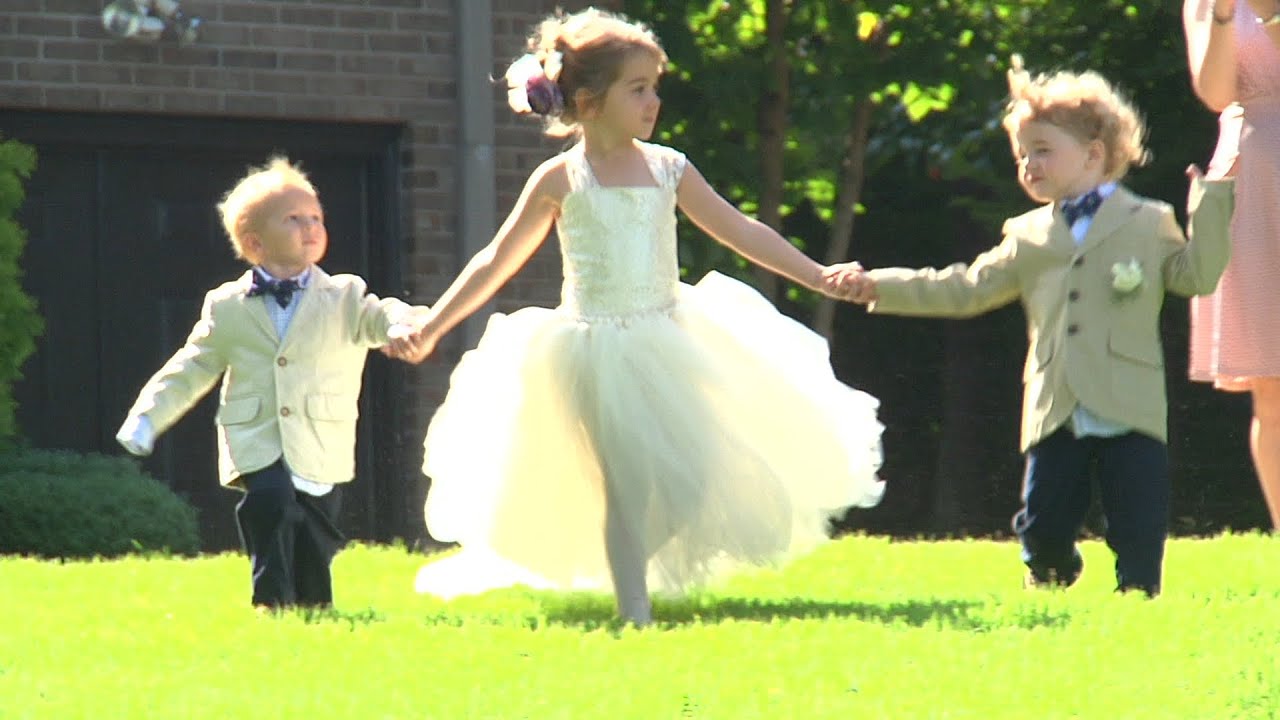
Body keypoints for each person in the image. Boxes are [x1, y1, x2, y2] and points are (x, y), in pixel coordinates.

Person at [392, 8, 884, 626]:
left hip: (669, 336)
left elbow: (742, 230)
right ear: (590, 101)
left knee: (691, 480)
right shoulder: (560, 179)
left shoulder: (668, 168)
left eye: (654, 88)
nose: (652, 102)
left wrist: (816, 276)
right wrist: (433, 324)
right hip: (593, 350)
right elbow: (496, 261)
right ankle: (635, 614)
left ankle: (620, 572)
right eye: (638, 89)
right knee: (627, 488)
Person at [829, 59, 1234, 595]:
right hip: (1055, 402)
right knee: (1043, 522)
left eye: (1043, 150)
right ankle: (1047, 578)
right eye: (1023, 154)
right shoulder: (1025, 235)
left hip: (1129, 402)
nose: (1028, 164)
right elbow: (965, 288)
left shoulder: (1148, 220)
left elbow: (1198, 277)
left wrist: (1209, 205)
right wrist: (878, 284)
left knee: (1137, 518)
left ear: (1094, 153)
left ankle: (1138, 597)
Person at [116, 157, 424, 610]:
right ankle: (270, 602)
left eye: (316, 217)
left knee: (315, 535)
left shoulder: (344, 295)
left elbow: (383, 315)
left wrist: (404, 325)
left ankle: (314, 609)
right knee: (271, 501)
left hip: (321, 437)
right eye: (293, 219)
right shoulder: (227, 306)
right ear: (255, 243)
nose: (310, 226)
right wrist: (146, 417)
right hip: (256, 435)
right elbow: (192, 366)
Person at [1183, 0, 1280, 528]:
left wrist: (1268, 15)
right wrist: (1224, 16)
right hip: (1251, 178)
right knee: (1271, 380)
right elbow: (1218, 94)